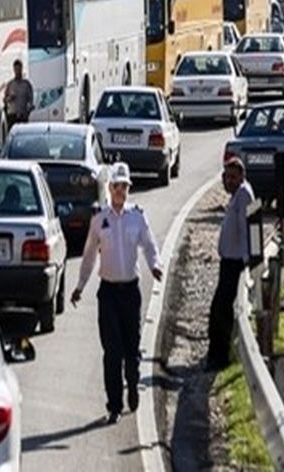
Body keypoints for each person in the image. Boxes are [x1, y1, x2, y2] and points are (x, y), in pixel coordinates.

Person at [71, 163, 163, 423]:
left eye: (125, 187)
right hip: (109, 293)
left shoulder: (137, 216)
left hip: (130, 292)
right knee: (112, 351)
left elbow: (149, 244)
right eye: (118, 186)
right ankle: (114, 404)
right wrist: (79, 286)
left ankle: (132, 384)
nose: (122, 191)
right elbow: (89, 256)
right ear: (110, 189)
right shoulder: (100, 219)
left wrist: (155, 266)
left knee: (131, 349)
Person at [206, 158, 253, 370]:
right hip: (228, 262)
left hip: (236, 264)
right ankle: (216, 354)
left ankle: (220, 357)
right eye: (226, 177)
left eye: (233, 177)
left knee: (221, 311)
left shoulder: (243, 195)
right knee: (218, 309)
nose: (228, 181)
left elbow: (247, 230)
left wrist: (246, 262)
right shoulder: (237, 196)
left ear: (241, 177)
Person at [4, 59, 34, 129]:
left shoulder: (26, 84)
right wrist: (9, 99)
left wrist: (28, 112)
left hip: (22, 116)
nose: (17, 71)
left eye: (19, 69)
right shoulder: (10, 84)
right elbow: (5, 100)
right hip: (12, 116)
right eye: (15, 69)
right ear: (13, 70)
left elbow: (30, 101)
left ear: (22, 68)